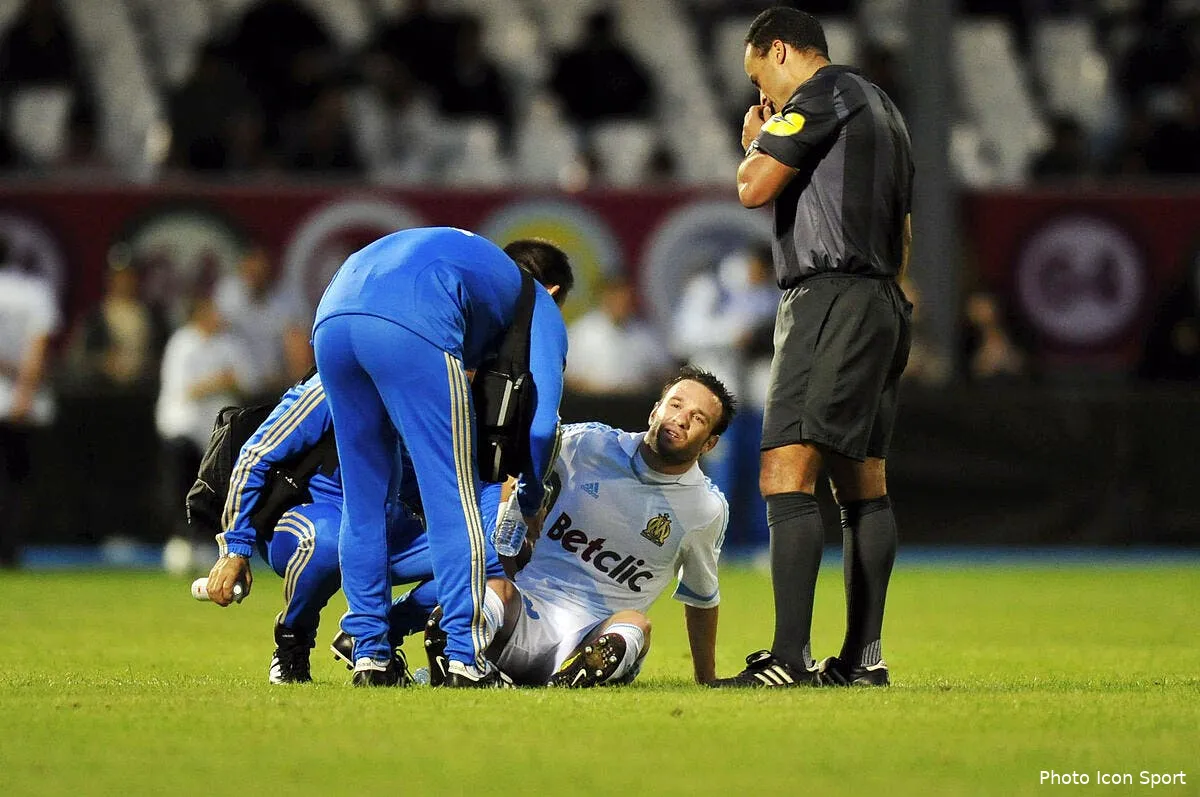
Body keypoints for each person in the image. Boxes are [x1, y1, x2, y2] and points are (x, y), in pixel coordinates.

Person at [712, 8, 913, 689]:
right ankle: (863, 657)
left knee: (784, 471)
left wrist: (756, 140)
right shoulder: (884, 109)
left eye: (758, 76)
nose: (762, 94)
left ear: (780, 51)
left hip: (829, 297)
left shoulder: (821, 94)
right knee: (863, 481)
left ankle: (788, 657)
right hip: (883, 298)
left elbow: (753, 187)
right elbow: (904, 233)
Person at [309, 230, 573, 687]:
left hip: (332, 315)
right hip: (411, 322)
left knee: (365, 500)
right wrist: (529, 499)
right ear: (553, 291)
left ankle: (370, 655)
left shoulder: (471, 262)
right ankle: (464, 658)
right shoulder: (539, 301)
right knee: (454, 499)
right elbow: (543, 426)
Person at [424, 366, 734, 687]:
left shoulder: (705, 508)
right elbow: (519, 462)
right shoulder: (589, 443)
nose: (681, 418)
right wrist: (514, 514)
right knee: (490, 592)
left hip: (593, 637)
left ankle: (555, 682)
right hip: (527, 611)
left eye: (698, 418)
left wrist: (706, 678)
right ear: (656, 409)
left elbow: (701, 597)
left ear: (709, 443)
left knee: (635, 625)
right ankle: (460, 653)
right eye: (676, 404)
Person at [205, 370, 498, 685]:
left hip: (388, 530)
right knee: (330, 541)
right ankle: (293, 640)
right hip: (311, 520)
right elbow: (254, 456)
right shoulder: (334, 383)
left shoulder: (450, 407)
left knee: (489, 555)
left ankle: (379, 630)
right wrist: (234, 549)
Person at [156, 295, 255, 574]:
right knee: (181, 488)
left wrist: (225, 381)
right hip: (183, 428)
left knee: (218, 493)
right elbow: (185, 389)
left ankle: (206, 544)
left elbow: (249, 381)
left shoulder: (230, 344)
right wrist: (220, 381)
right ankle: (180, 542)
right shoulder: (182, 344)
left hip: (216, 435)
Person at [0, 250, 59, 567]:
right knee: (18, 480)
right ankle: (9, 549)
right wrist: (24, 391)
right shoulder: (35, 292)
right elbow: (38, 345)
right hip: (23, 400)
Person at [565, 276, 674, 397]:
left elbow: (665, 372)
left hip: (634, 403)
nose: (621, 303)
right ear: (606, 297)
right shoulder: (582, 332)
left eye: (625, 298)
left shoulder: (643, 334)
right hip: (593, 404)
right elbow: (568, 377)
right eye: (616, 298)